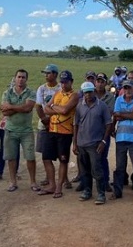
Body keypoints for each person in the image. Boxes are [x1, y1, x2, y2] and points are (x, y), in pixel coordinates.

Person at [72, 82, 113, 205]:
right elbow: (76, 125)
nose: (88, 95)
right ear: (83, 93)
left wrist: (104, 141)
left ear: (94, 91)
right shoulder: (79, 106)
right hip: (81, 143)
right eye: (86, 92)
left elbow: (108, 124)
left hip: (95, 143)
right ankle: (87, 191)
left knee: (97, 169)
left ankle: (101, 193)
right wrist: (75, 143)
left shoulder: (102, 106)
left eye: (90, 92)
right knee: (84, 169)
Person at [40, 70, 79, 198]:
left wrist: (54, 107)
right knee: (46, 158)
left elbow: (65, 110)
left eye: (66, 82)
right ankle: (52, 184)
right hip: (52, 130)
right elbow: (46, 108)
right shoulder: (57, 93)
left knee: (63, 160)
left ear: (71, 82)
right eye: (61, 82)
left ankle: (59, 187)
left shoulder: (74, 95)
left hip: (65, 132)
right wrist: (57, 109)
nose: (63, 85)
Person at [0, 69, 38, 193]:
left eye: (23, 77)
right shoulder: (7, 92)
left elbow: (28, 108)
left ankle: (33, 182)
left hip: (26, 131)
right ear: (15, 78)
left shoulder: (31, 92)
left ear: (26, 79)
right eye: (19, 77)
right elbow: (4, 112)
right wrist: (21, 107)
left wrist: (11, 106)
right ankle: (13, 182)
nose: (21, 79)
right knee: (11, 158)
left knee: (30, 157)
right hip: (10, 130)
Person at [34, 64, 61, 186]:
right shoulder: (41, 88)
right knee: (46, 153)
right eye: (45, 73)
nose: (46, 75)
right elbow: (38, 106)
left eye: (48, 73)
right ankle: (48, 177)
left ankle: (63, 178)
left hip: (59, 124)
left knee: (61, 153)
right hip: (44, 124)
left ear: (55, 74)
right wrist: (45, 120)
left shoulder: (61, 88)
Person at [95, 72, 115, 192]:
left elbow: (109, 113)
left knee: (103, 157)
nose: (100, 83)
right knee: (89, 157)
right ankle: (86, 181)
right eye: (98, 81)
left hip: (104, 131)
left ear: (106, 83)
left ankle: (105, 181)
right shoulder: (90, 94)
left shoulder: (110, 97)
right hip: (91, 130)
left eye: (102, 81)